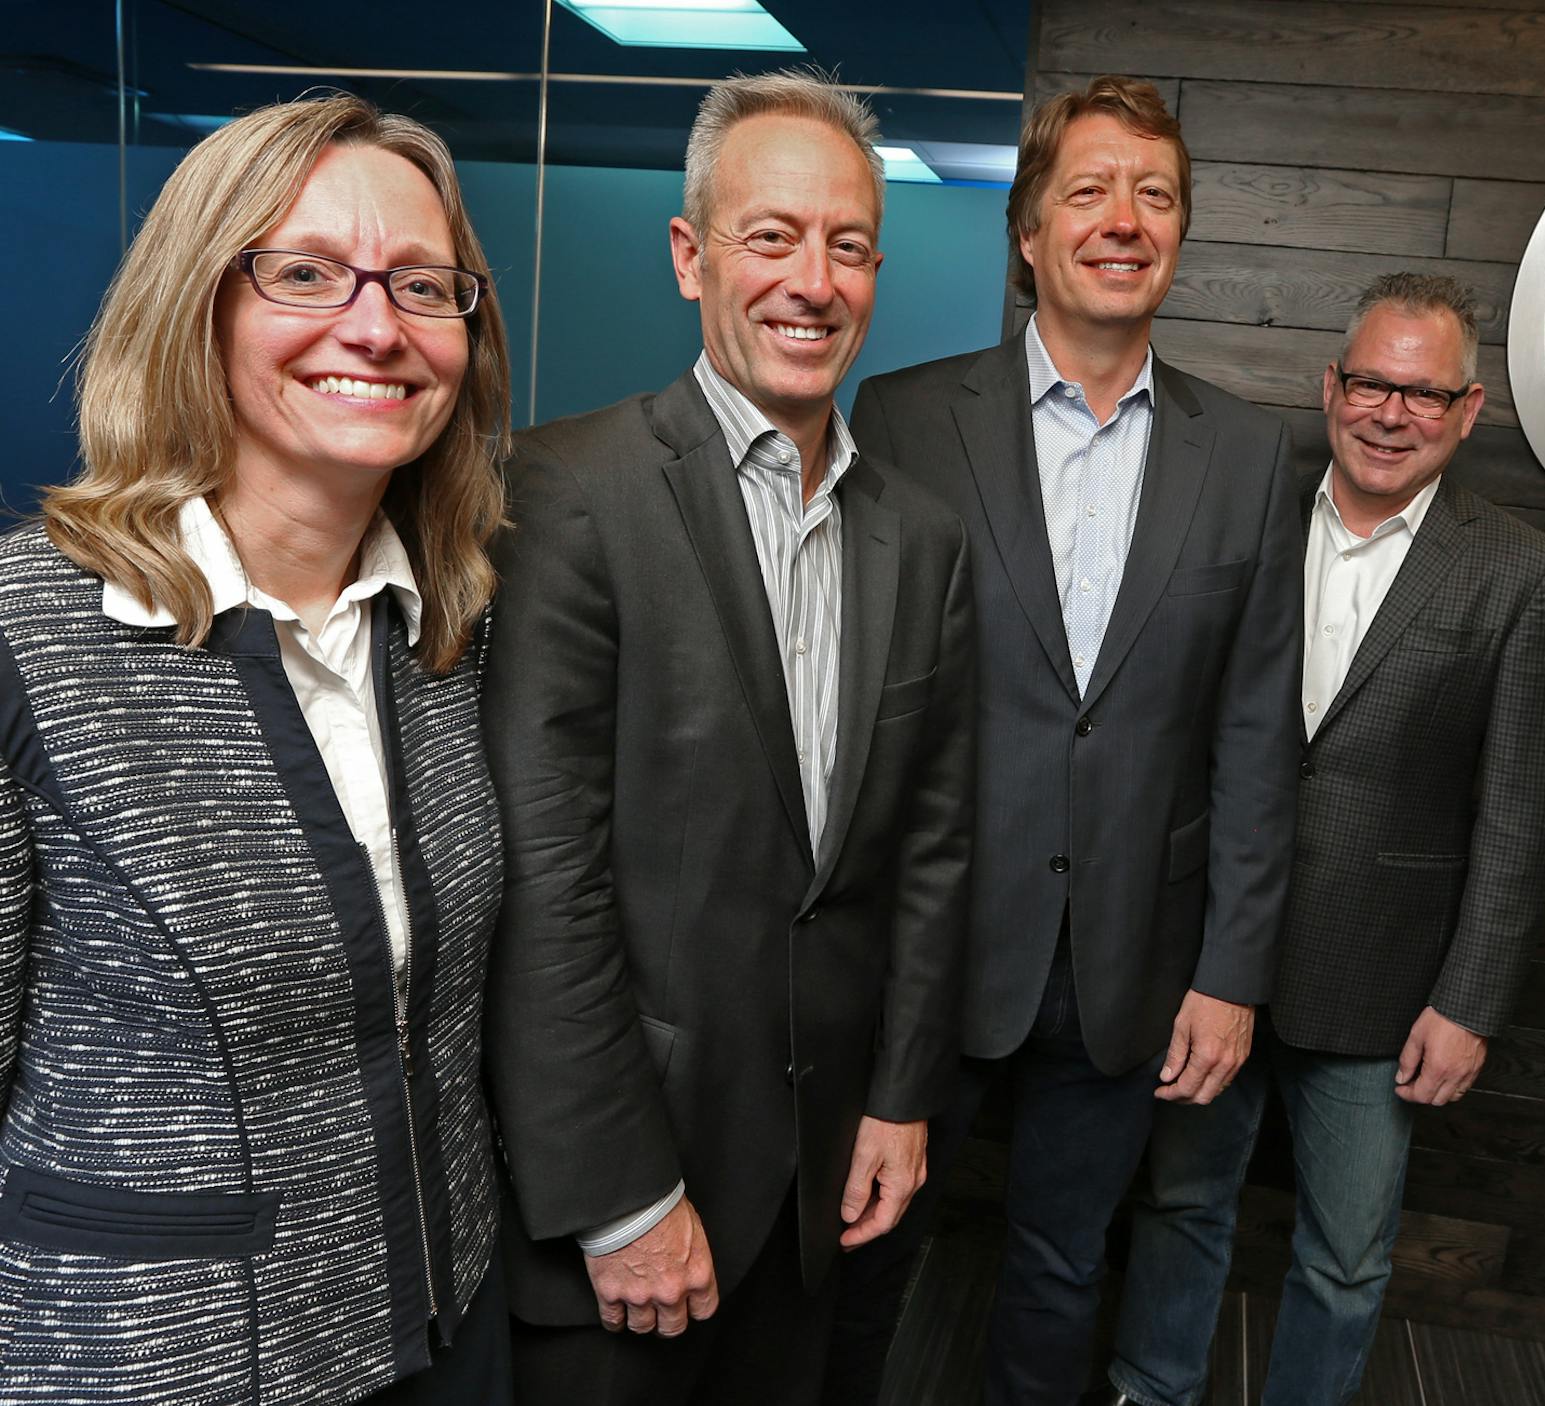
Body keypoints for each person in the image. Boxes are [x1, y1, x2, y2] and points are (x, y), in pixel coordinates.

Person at [0, 93, 513, 1403]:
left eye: (422, 284)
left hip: (443, 1327)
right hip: (155, 1360)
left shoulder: (450, 630)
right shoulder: (30, 635)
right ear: (199, 303)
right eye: (304, 273)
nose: (376, 326)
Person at [482, 69, 974, 1406]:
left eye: (849, 244)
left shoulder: (921, 539)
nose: (812, 281)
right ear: (691, 256)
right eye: (771, 236)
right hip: (632, 1194)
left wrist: (899, 1095)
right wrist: (619, 1191)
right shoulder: (569, 494)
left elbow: (929, 851)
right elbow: (547, 879)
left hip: (825, 1183)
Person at [830, 74, 1302, 1406]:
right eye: (1088, 189)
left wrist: (1233, 970)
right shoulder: (910, 423)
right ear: (1029, 233)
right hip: (935, 949)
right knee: (871, 1249)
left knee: (1058, 1264)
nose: (1124, 218)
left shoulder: (1250, 455)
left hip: (1131, 960)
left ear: (1182, 233)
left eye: (1155, 195)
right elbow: (872, 708)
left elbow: (1258, 726)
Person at [1100, 272, 1545, 1406]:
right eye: (1371, 382)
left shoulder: (1519, 574)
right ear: (1331, 387)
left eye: (1424, 394)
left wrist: (1468, 1002)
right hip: (1213, 956)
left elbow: (1519, 817)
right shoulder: (1242, 519)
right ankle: (1150, 1387)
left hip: (1381, 983)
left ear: (1467, 412)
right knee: (1177, 1204)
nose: (1390, 413)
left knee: (1348, 1252)